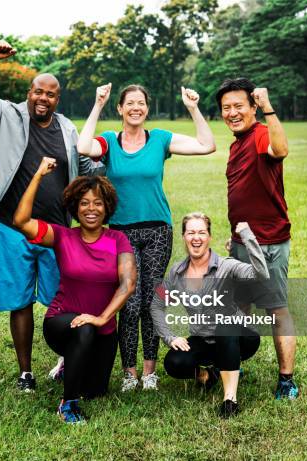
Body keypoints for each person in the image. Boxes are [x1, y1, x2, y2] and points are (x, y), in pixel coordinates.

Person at [0, 40, 99, 392]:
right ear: (28, 93)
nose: (42, 99)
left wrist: (113, 161)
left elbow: (84, 164)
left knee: (59, 299)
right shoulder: (7, 113)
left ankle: (65, 360)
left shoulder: (67, 128)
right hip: (9, 225)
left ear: (56, 99)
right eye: (37, 92)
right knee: (19, 300)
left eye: (50, 94)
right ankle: (25, 374)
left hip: (54, 230)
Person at [76, 83, 216, 391]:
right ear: (121, 109)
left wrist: (193, 108)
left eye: (141, 103)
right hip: (121, 232)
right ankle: (130, 374)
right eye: (130, 103)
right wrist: (98, 104)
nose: (136, 108)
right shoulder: (110, 141)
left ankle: (150, 372)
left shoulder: (160, 139)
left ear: (146, 109)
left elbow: (207, 145)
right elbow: (83, 147)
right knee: (129, 301)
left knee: (152, 300)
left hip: (157, 231)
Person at [12, 157, 136, 423]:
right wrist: (37, 175)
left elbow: (128, 284)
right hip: (62, 321)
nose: (91, 209)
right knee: (84, 329)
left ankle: (70, 365)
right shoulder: (62, 236)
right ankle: (67, 405)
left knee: (96, 391)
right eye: (84, 203)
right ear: (74, 207)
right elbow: (21, 221)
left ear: (107, 207)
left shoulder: (118, 239)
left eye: (98, 203)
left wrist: (102, 318)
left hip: (103, 329)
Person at [216, 77, 298, 399]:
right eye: (226, 108)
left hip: (268, 243)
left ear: (252, 106)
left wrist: (269, 110)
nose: (232, 113)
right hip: (242, 242)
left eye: (239, 106)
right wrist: (235, 234)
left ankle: (286, 380)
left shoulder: (262, 133)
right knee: (240, 306)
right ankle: (235, 366)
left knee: (276, 309)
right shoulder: (237, 142)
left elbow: (281, 149)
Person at [150, 213, 268, 418]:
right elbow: (157, 305)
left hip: (240, 337)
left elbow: (261, 274)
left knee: (225, 325)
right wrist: (169, 337)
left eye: (201, 232)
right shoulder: (176, 274)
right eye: (191, 232)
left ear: (209, 237)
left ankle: (230, 400)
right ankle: (208, 374)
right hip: (204, 338)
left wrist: (248, 237)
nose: (196, 238)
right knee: (174, 363)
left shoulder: (226, 265)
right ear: (184, 237)